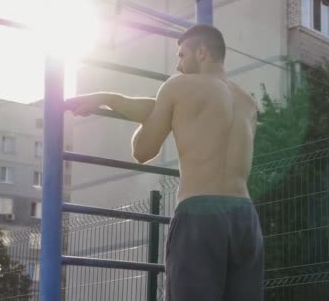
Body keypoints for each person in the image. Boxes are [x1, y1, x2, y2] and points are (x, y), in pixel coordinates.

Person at [64, 24, 264, 301]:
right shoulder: (246, 101)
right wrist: (109, 99)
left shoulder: (177, 86)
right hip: (245, 219)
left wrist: (137, 111)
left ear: (202, 52)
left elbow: (143, 150)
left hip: (200, 215)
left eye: (182, 55)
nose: (178, 65)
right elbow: (177, 110)